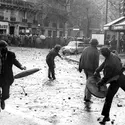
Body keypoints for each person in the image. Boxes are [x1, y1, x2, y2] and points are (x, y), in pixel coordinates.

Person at [94, 46, 125, 124]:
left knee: (108, 98)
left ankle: (106, 116)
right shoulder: (112, 55)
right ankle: (106, 116)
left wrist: (100, 83)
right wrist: (97, 70)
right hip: (121, 77)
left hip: (116, 80)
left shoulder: (109, 64)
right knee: (108, 98)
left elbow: (107, 77)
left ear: (104, 55)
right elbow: (104, 63)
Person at [0, 40, 26, 110]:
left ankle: (2, 99)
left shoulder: (10, 55)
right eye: (1, 47)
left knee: (6, 95)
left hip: (6, 78)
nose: (3, 49)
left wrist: (21, 66)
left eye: (4, 47)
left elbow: (15, 61)